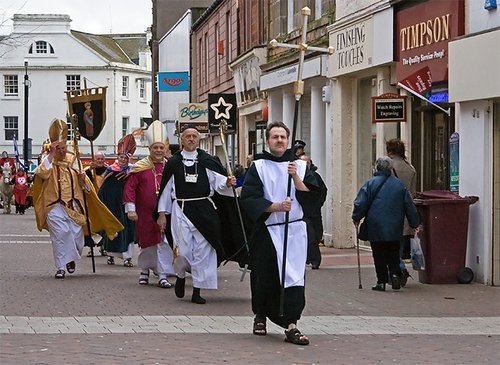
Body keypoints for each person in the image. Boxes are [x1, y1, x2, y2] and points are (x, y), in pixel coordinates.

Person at [240, 121, 321, 346]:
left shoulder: (300, 167)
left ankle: (291, 322)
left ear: (288, 141)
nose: (279, 141)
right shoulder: (259, 167)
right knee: (266, 275)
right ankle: (261, 315)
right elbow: (249, 198)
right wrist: (275, 207)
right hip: (269, 229)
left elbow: (315, 196)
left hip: (295, 230)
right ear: (268, 140)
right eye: (275, 137)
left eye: (283, 137)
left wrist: (295, 178)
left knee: (294, 277)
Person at [32, 119, 122, 279]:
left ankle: (70, 258)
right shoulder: (48, 160)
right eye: (57, 148)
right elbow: (42, 173)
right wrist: (51, 154)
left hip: (74, 205)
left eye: (63, 148)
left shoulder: (74, 160)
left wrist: (83, 179)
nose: (61, 151)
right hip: (53, 205)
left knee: (76, 237)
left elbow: (87, 188)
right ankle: (60, 267)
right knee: (60, 235)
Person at [156, 124, 237, 304]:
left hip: (205, 211)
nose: (191, 139)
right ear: (182, 140)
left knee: (203, 251)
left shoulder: (207, 161)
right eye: (188, 136)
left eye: (194, 136)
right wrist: (162, 214)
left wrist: (228, 182)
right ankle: (181, 275)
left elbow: (219, 183)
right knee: (182, 249)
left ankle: (197, 291)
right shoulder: (174, 163)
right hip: (181, 210)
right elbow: (166, 190)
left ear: (198, 139)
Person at [352, 156, 420, 292]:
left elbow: (361, 203)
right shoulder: (399, 185)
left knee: (378, 254)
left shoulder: (370, 184)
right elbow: (409, 205)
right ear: (390, 168)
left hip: (375, 225)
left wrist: (356, 217)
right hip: (395, 226)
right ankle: (394, 274)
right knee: (393, 253)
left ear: (377, 167)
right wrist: (415, 222)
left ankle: (381, 282)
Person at [123, 120, 175, 289]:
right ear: (150, 149)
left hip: (167, 212)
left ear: (165, 149)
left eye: (161, 148)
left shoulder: (171, 167)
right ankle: (145, 270)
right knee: (147, 244)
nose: (158, 151)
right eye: (155, 148)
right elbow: (130, 188)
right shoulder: (140, 167)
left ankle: (163, 274)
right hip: (145, 213)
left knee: (164, 242)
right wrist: (130, 209)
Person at [98, 134, 136, 268]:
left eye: (125, 158)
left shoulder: (132, 171)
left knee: (128, 231)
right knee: (113, 230)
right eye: (121, 157)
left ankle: (127, 258)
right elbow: (103, 188)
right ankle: (110, 255)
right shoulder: (110, 171)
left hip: (127, 206)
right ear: (117, 157)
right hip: (113, 206)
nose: (123, 160)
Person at [386, 138, 417, 286]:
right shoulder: (410, 168)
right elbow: (412, 193)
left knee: (388, 246)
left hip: (390, 210)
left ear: (390, 151)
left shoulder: (387, 167)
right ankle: (398, 269)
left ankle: (398, 269)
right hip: (404, 212)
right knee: (398, 245)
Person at [299, 155, 327, 270]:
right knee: (310, 236)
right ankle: (315, 260)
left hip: (315, 212)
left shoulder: (315, 177)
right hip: (303, 213)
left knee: (317, 234)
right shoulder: (297, 177)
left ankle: (310, 256)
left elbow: (323, 191)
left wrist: (318, 204)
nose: (305, 165)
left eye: (307, 163)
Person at [84, 152, 109, 256]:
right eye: (98, 159)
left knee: (104, 225)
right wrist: (90, 171)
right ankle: (91, 248)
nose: (100, 161)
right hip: (92, 202)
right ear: (94, 159)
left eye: (101, 159)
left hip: (104, 201)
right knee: (91, 225)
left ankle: (103, 246)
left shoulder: (108, 170)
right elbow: (85, 183)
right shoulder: (87, 171)